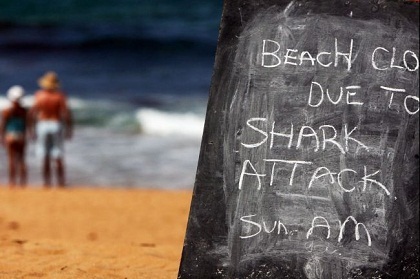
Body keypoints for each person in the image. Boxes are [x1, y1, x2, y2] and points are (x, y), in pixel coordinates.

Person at [29, 71, 73, 187]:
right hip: (55, 124)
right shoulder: (59, 96)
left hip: (42, 124)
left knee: (44, 154)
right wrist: (69, 129)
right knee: (58, 154)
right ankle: (61, 182)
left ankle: (46, 182)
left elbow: (32, 113)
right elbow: (66, 113)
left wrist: (31, 129)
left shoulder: (39, 95)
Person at [0, 86, 28, 187]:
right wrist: (26, 135)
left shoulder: (6, 111)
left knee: (11, 160)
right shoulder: (24, 111)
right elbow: (26, 124)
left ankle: (12, 181)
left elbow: (3, 125)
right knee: (21, 159)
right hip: (21, 135)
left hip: (10, 135)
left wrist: (2, 137)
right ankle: (23, 182)